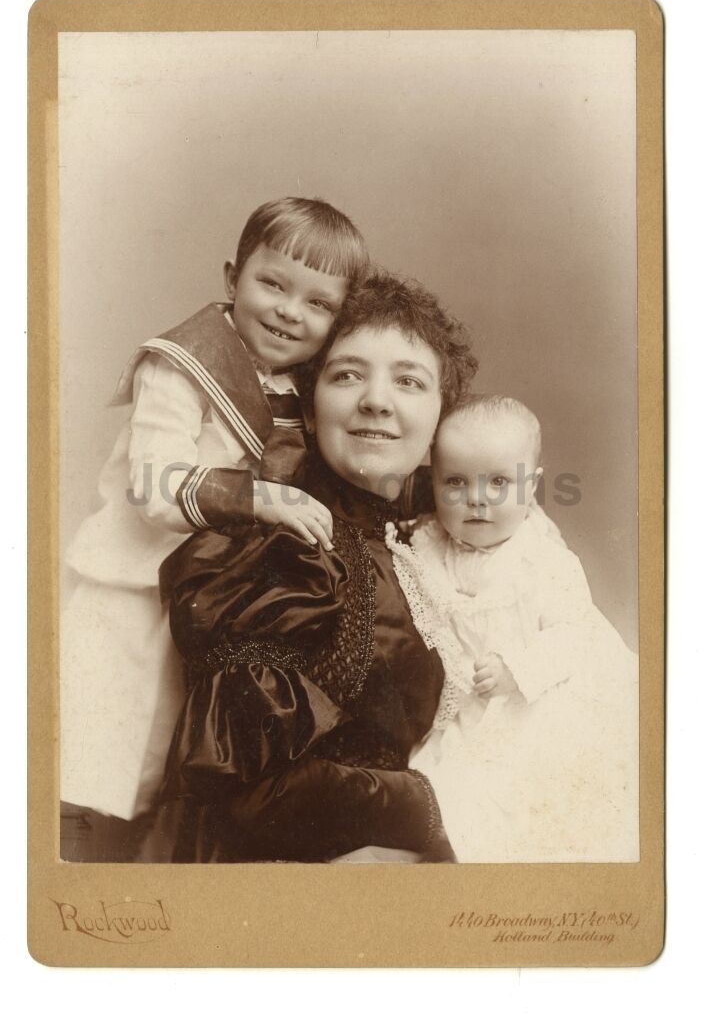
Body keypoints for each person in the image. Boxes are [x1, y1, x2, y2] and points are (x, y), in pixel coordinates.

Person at [60, 197, 369, 859]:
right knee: (91, 775)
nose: (290, 310)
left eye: (318, 303)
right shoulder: (182, 363)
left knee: (160, 784)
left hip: (207, 612)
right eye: (273, 284)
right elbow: (152, 484)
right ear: (233, 277)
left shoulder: (298, 388)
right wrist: (258, 499)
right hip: (133, 597)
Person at [140, 272, 477, 863]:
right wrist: (437, 808)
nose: (376, 399)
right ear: (311, 412)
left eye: (409, 380)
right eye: (347, 374)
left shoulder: (431, 544)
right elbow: (242, 790)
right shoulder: (288, 552)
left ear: (438, 429)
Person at [387, 394, 639, 862]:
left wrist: (515, 668)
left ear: (533, 487)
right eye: (456, 482)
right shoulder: (427, 542)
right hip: (466, 704)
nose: (477, 498)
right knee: (449, 789)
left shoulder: (541, 560)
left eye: (499, 482)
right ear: (433, 482)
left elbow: (576, 632)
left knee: (541, 784)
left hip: (534, 695)